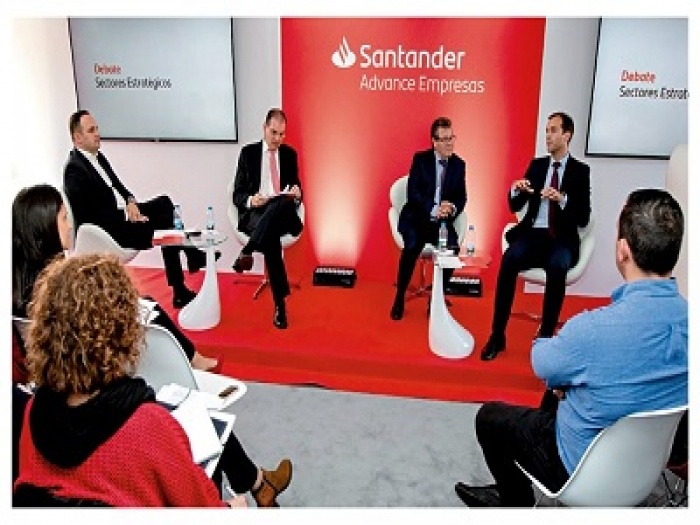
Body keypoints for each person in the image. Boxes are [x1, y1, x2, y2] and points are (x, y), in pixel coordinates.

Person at [455, 188, 688, 507]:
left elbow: (540, 361)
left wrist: (563, 363)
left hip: (576, 469)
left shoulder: (591, 329)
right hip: (648, 467)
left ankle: (515, 501)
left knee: (490, 418)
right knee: (560, 387)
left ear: (622, 250)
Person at [14, 253, 293, 507]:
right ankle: (258, 485)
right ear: (124, 332)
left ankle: (260, 483)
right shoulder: (149, 428)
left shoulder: (32, 414)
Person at [11, 184, 218, 371]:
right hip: (83, 363)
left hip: (52, 367)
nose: (70, 226)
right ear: (45, 227)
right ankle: (192, 359)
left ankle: (191, 358)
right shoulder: (57, 285)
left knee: (142, 304)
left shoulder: (19, 282)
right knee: (145, 307)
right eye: (64, 218)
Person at [63, 109, 214, 309]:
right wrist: (128, 215)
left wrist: (131, 202)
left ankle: (189, 265)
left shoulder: (98, 157)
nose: (98, 133)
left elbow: (119, 187)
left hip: (123, 215)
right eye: (92, 130)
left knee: (165, 203)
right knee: (166, 224)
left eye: (97, 128)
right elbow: (90, 215)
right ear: (78, 138)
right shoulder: (74, 169)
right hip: (111, 231)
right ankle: (187, 270)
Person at [480, 111, 591, 361]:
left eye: (553, 130)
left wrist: (562, 199)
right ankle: (497, 335)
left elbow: (583, 217)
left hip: (562, 237)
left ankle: (546, 338)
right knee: (509, 259)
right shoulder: (538, 165)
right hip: (534, 233)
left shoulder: (580, 171)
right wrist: (516, 189)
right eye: (546, 131)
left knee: (557, 264)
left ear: (567, 135)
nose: (548, 136)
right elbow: (516, 204)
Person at [231, 108, 303, 329]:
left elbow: (297, 190)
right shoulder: (248, 154)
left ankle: (248, 250)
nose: (278, 139)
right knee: (271, 237)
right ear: (264, 128)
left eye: (282, 134)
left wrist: (297, 194)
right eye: (274, 133)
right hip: (258, 213)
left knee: (280, 203)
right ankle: (280, 306)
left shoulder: (289, 155)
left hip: (283, 213)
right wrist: (252, 200)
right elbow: (237, 194)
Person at [390, 116, 467, 320]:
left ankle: (436, 298)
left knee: (453, 248)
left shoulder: (459, 165)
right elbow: (413, 193)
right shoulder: (421, 160)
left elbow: (462, 197)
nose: (450, 143)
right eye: (445, 139)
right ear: (434, 141)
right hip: (417, 217)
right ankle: (399, 296)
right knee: (412, 245)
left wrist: (451, 208)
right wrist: (434, 209)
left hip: (441, 223)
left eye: (452, 138)